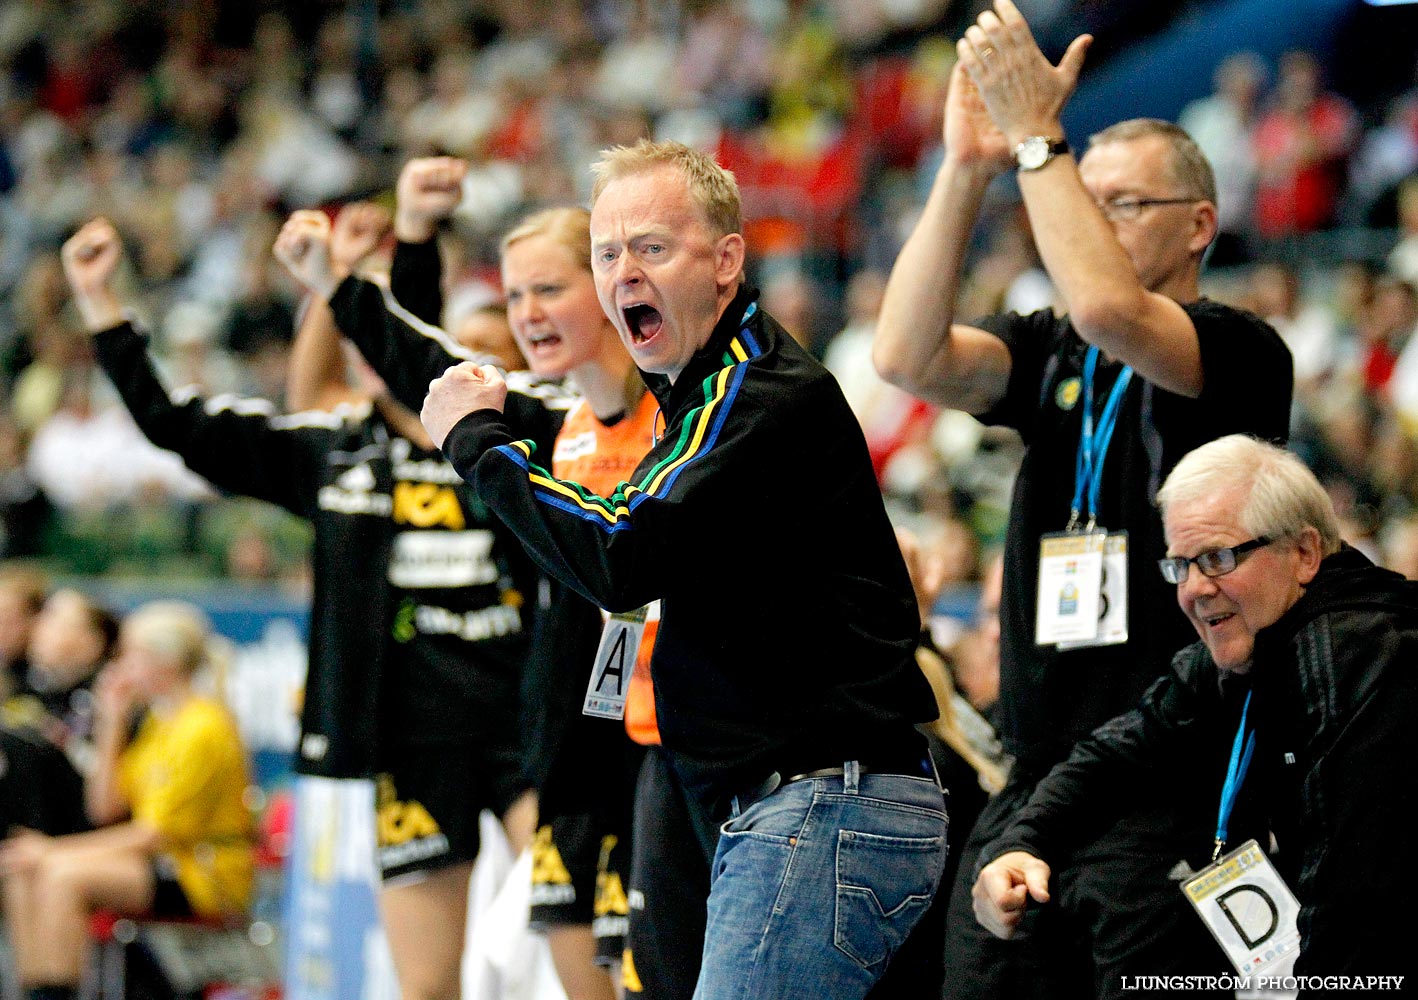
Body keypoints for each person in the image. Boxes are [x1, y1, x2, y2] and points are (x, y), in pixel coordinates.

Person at [420, 138, 945, 999]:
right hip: (788, 804)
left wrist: (479, 444)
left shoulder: (751, 392)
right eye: (607, 254)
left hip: (820, 806)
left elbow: (621, 552)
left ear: (727, 260)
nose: (624, 273)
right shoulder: (699, 397)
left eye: (652, 248)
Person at [872, 2, 1294, 995]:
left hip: (1178, 775)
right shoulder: (1047, 349)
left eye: (1117, 205)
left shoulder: (1237, 348)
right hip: (1039, 773)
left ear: (1197, 225)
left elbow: (1110, 305)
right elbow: (903, 352)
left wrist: (1039, 142)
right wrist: (968, 167)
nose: (1077, 219)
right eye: (1075, 195)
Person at [59, 212, 558, 1000]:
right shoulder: (336, 445)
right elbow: (171, 423)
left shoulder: (528, 438)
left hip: (530, 734)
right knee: (428, 987)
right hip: (411, 749)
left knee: (583, 944)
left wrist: (414, 234)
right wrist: (99, 303)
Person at [973, 434, 1418, 979]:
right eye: (1180, 566)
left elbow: (1356, 897)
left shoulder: (1359, 650)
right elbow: (1111, 754)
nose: (1194, 590)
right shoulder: (1251, 646)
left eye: (1217, 558)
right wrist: (1024, 843)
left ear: (1304, 553)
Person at [0, 600, 255, 1000]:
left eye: (130, 656)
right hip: (161, 862)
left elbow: (153, 835)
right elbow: (104, 809)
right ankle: (34, 991)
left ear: (164, 662)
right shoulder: (159, 722)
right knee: (23, 870)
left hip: (203, 872)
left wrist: (51, 850)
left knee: (59, 873)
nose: (119, 667)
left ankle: (55, 995)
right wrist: (112, 720)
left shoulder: (203, 728)